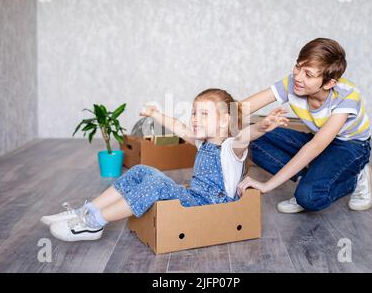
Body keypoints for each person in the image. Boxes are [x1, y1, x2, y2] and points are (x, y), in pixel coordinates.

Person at [41, 88, 288, 241]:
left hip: (213, 205)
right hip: (193, 198)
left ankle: (94, 224)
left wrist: (263, 126)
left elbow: (249, 135)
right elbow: (178, 127)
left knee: (157, 184)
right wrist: (154, 114)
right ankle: (84, 212)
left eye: (204, 114)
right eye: (194, 112)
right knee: (141, 170)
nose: (194, 119)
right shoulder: (202, 143)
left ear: (224, 121)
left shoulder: (231, 146)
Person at [237, 38, 372, 213]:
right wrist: (211, 121)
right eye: (297, 66)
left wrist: (267, 185)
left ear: (329, 83)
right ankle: (310, 176)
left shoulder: (347, 97)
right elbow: (243, 107)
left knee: (308, 197)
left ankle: (355, 179)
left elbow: (315, 147)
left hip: (351, 146)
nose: (298, 77)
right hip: (319, 139)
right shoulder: (293, 83)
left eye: (308, 74)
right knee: (249, 136)